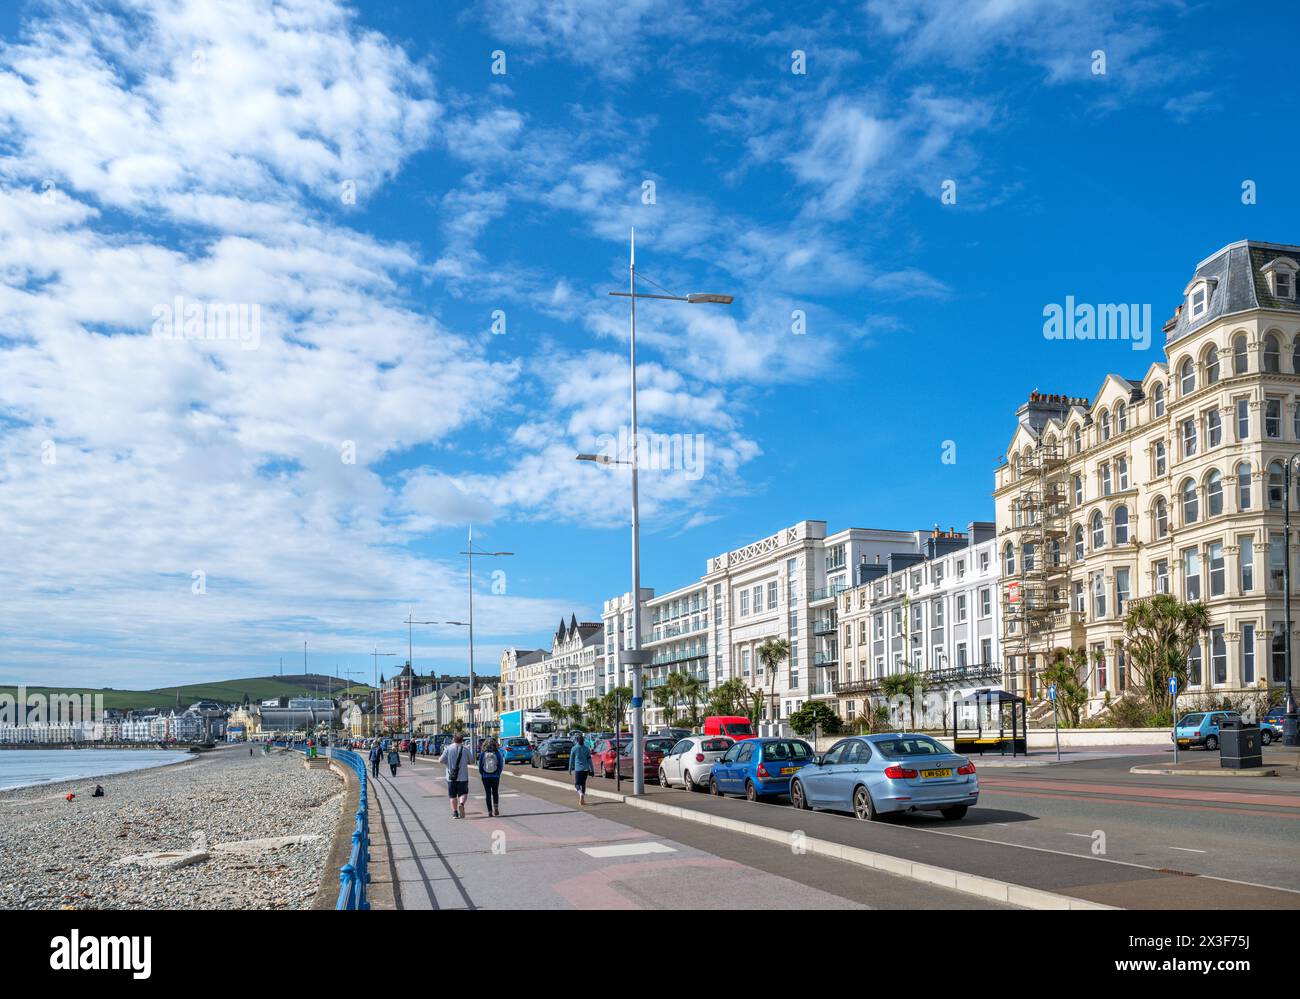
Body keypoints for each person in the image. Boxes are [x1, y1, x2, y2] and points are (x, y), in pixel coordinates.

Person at [439, 732, 471, 818]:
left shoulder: (448, 748)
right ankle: (461, 803)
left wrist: (448, 764)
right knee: (463, 793)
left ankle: (455, 812)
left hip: (451, 776)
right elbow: (471, 761)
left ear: (453, 739)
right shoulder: (466, 749)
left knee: (452, 795)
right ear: (462, 740)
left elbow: (441, 760)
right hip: (463, 776)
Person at [477, 737, 504, 817]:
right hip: (495, 776)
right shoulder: (497, 753)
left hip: (485, 776)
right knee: (495, 792)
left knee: (487, 794)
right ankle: (496, 808)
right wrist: (498, 773)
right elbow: (501, 765)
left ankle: (489, 811)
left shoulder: (482, 754)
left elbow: (480, 766)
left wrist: (482, 774)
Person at [568, 732, 594, 807]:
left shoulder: (574, 749)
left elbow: (571, 760)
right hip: (586, 770)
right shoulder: (587, 749)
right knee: (583, 784)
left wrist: (570, 769)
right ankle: (582, 800)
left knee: (577, 784)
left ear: (577, 740)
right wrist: (592, 770)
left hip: (578, 770)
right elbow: (590, 761)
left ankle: (580, 793)